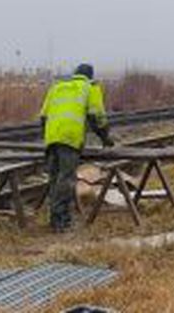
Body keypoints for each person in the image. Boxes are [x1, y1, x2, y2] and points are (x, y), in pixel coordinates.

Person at [39, 62, 115, 232]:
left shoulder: (57, 87)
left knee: (54, 178)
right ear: (90, 76)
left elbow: (43, 116)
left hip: (51, 137)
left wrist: (47, 137)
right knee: (66, 179)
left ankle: (54, 219)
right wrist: (105, 138)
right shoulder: (90, 88)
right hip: (70, 138)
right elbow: (97, 117)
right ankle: (62, 222)